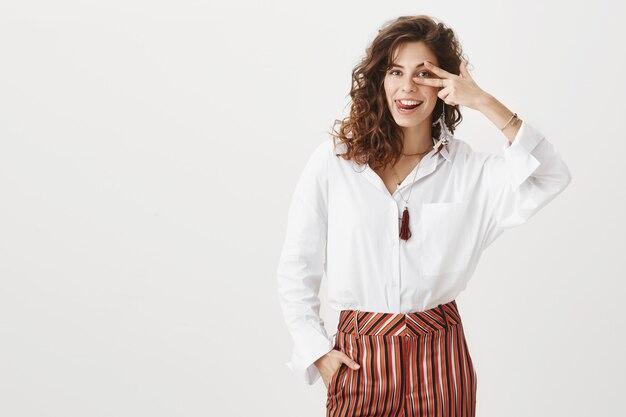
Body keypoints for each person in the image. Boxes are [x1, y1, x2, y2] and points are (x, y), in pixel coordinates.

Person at [276, 15, 571, 417]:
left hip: (440, 359)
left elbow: (550, 174)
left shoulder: (467, 170)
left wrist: (483, 100)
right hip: (360, 360)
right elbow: (297, 265)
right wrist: (317, 352)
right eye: (396, 71)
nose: (407, 87)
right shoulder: (336, 162)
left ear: (445, 84)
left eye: (424, 73)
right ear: (381, 79)